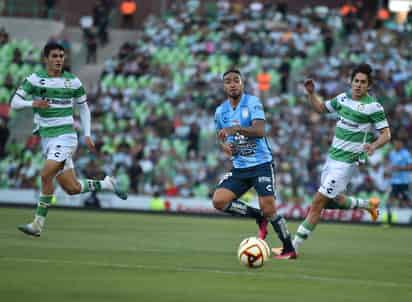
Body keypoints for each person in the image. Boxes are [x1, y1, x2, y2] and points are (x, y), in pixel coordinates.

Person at [11, 42, 128, 237]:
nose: (58, 60)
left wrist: (87, 134)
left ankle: (37, 224)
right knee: (71, 188)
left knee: (46, 174)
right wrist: (33, 102)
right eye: (54, 56)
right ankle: (107, 184)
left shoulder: (72, 81)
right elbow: (15, 102)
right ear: (45, 58)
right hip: (46, 138)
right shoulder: (34, 79)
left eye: (61, 56)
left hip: (65, 136)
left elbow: (83, 108)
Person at [273, 63, 391, 255]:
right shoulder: (343, 98)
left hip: (348, 163)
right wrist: (311, 94)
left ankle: (292, 248)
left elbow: (386, 134)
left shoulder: (373, 107)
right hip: (332, 159)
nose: (358, 85)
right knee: (331, 201)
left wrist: (373, 145)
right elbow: (321, 108)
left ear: (369, 85)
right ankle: (369, 205)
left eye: (363, 82)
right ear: (350, 81)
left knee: (317, 202)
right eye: (356, 81)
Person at [212, 69, 297, 260]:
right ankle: (258, 216)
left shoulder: (252, 103)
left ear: (242, 84)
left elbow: (259, 131)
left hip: (261, 165)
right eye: (228, 81)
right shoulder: (220, 112)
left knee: (270, 209)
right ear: (224, 86)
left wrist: (235, 128)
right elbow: (221, 137)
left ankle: (289, 249)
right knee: (219, 201)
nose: (232, 84)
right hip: (240, 167)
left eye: (236, 80)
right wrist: (226, 147)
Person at [387, 138, 412, 212]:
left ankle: (409, 217)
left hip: (404, 181)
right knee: (391, 198)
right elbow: (391, 166)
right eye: (395, 143)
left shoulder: (406, 153)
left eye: (398, 143)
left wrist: (400, 168)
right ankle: (388, 216)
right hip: (394, 181)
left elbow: (410, 166)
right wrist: (389, 170)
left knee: (406, 200)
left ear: (401, 144)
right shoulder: (392, 153)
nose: (396, 145)